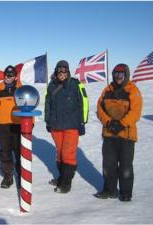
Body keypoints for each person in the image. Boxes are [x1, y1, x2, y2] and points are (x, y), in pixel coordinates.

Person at [94, 63, 143, 202]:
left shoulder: (133, 91)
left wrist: (121, 124)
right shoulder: (107, 90)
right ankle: (109, 190)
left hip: (126, 135)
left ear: (126, 75)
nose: (118, 77)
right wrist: (109, 122)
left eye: (121, 74)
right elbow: (100, 108)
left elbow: (135, 112)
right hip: (109, 134)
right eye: (115, 74)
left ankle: (126, 193)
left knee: (125, 166)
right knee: (108, 165)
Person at [44, 60, 89, 193]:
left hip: (71, 126)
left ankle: (66, 184)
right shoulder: (51, 86)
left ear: (68, 71)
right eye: (60, 70)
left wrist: (82, 122)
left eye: (65, 70)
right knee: (59, 154)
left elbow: (84, 103)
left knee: (68, 154)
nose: (62, 73)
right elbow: (48, 104)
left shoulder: (76, 84)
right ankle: (62, 177)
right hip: (56, 126)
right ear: (56, 71)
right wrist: (48, 121)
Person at [0, 65, 22, 188]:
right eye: (6, 75)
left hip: (18, 126)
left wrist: (31, 124)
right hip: (3, 126)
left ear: (15, 76)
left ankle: (22, 176)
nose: (8, 77)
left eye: (11, 75)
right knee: (5, 152)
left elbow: (29, 106)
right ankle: (8, 176)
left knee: (19, 152)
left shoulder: (21, 90)